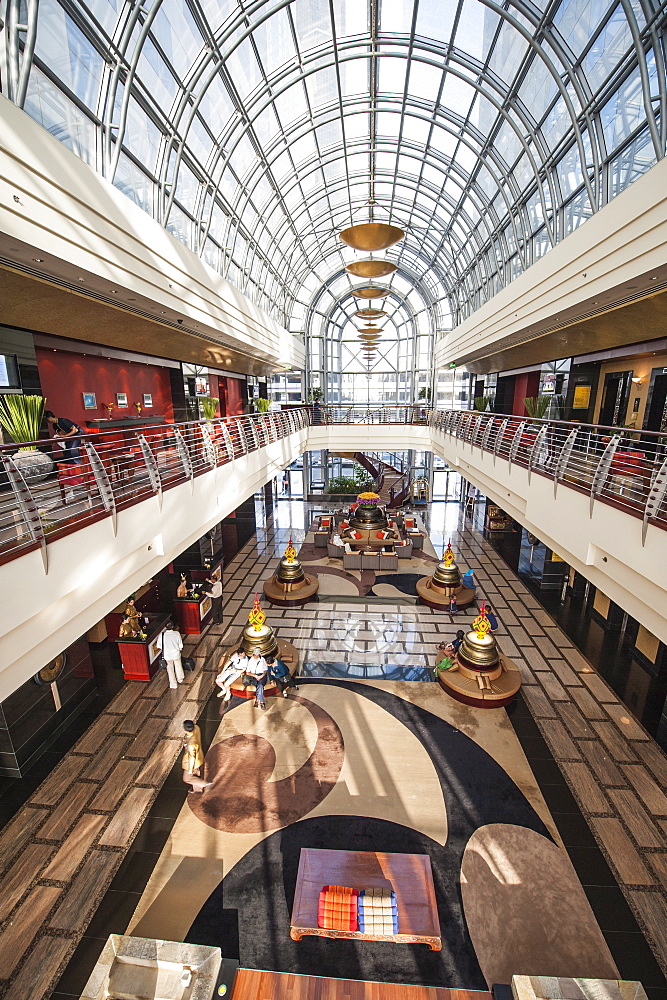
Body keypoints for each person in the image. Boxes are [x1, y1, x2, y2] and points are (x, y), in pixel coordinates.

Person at [181, 720, 208, 793]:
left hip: (192, 763)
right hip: (199, 756)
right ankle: (197, 790)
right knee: (196, 775)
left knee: (187, 778)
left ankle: (205, 785)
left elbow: (191, 757)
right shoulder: (196, 728)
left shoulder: (191, 745)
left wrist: (190, 770)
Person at [162, 621, 184, 689]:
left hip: (167, 655)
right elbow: (180, 645)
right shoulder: (176, 634)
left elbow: (159, 646)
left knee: (170, 669)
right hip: (176, 653)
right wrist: (179, 648)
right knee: (178, 665)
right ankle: (180, 678)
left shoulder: (162, 635)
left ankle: (173, 684)